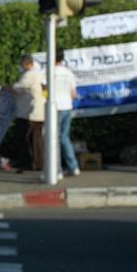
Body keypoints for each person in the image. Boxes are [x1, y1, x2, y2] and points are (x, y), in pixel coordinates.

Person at [11, 54, 45, 172]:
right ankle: (36, 162)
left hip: (29, 113)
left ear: (26, 64)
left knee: (24, 138)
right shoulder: (39, 73)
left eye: (21, 64)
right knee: (35, 139)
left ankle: (28, 163)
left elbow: (19, 88)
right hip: (37, 111)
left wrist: (7, 88)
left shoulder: (29, 75)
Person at [52, 48, 80, 176]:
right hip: (67, 106)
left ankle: (57, 170)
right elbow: (74, 94)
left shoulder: (49, 72)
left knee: (54, 139)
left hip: (55, 107)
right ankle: (73, 167)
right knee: (64, 137)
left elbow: (44, 89)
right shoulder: (69, 73)